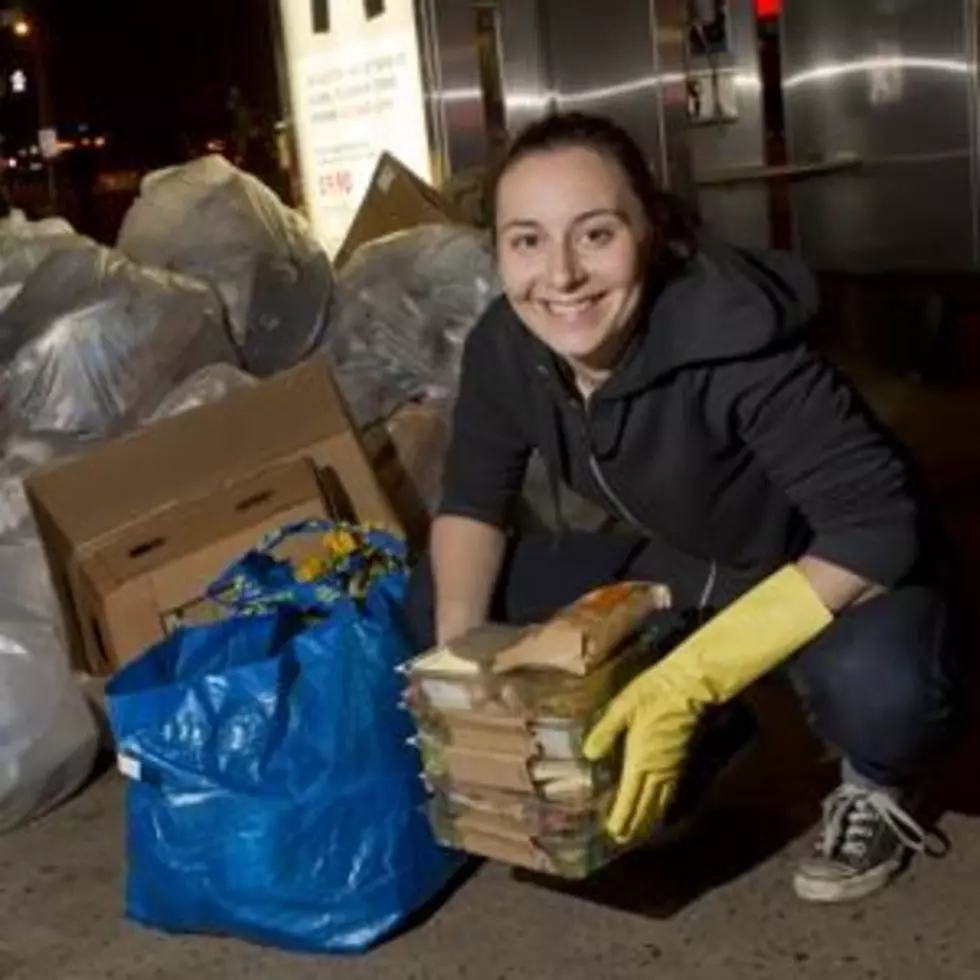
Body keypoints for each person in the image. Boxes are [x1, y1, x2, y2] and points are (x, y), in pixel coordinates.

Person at [404, 111, 955, 904]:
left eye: (595, 234)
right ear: (497, 250)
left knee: (883, 692)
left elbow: (878, 527)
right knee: (440, 591)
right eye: (526, 240)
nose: (560, 276)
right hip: (699, 562)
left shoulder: (734, 333)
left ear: (649, 231)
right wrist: (462, 667)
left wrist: (688, 681)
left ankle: (875, 784)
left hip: (835, 567)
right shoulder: (506, 345)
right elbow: (473, 505)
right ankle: (708, 743)